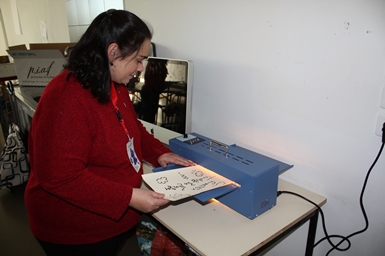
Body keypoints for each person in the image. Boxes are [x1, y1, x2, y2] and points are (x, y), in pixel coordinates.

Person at [24, 9, 193, 256]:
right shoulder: (65, 97)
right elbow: (60, 178)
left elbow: (133, 131)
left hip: (112, 222)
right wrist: (128, 197)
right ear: (112, 52)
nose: (140, 68)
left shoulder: (114, 85)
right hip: (72, 231)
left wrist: (159, 153)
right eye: (138, 59)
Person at [139, 58, 169, 123]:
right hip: (152, 92)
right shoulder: (159, 66)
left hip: (146, 89)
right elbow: (158, 81)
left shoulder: (150, 63)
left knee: (145, 112)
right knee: (150, 114)